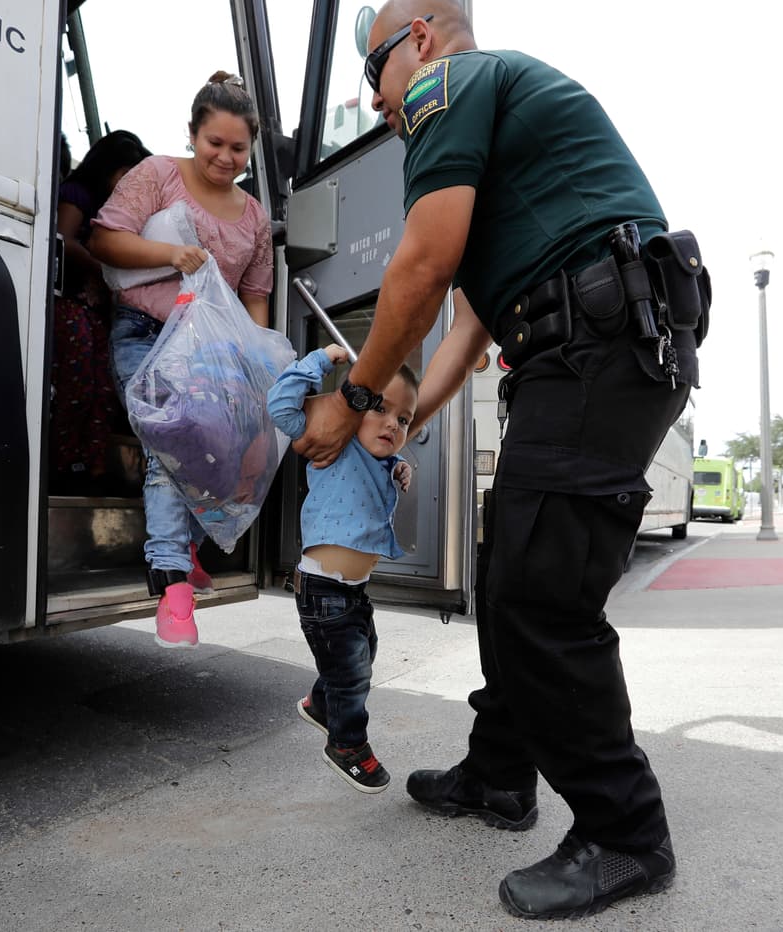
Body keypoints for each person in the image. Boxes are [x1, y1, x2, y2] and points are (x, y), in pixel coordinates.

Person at [292, 1, 707, 920]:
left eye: (374, 72)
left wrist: (354, 397)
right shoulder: (504, 143)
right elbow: (473, 316)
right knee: (509, 569)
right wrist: (405, 413)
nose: (374, 102)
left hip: (595, 351)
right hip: (582, 349)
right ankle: (501, 775)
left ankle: (625, 833)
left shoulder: (449, 84)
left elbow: (420, 267)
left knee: (541, 594)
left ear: (424, 38)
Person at [88, 72, 275, 650]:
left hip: (214, 351)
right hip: (147, 332)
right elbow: (103, 239)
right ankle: (170, 581)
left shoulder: (255, 219)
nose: (224, 157)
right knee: (169, 444)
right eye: (214, 143)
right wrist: (173, 253)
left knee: (217, 451)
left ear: (251, 148)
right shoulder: (158, 175)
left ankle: (189, 551)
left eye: (237, 148)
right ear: (192, 134)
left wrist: (250, 356)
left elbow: (255, 297)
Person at [266, 346, 416, 794]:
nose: (392, 423)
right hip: (322, 589)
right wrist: (320, 360)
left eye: (404, 419)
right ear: (354, 407)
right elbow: (280, 405)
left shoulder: (383, 460)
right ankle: (347, 745)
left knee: (364, 651)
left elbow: (385, 466)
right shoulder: (337, 439)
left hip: (352, 592)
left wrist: (401, 466)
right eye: (381, 408)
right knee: (352, 673)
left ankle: (321, 704)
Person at [50, 129, 151, 494]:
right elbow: (62, 239)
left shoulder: (112, 212)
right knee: (75, 387)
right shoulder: (79, 195)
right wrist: (103, 266)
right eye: (126, 174)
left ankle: (90, 468)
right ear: (109, 166)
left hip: (95, 314)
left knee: (101, 390)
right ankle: (64, 464)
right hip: (72, 305)